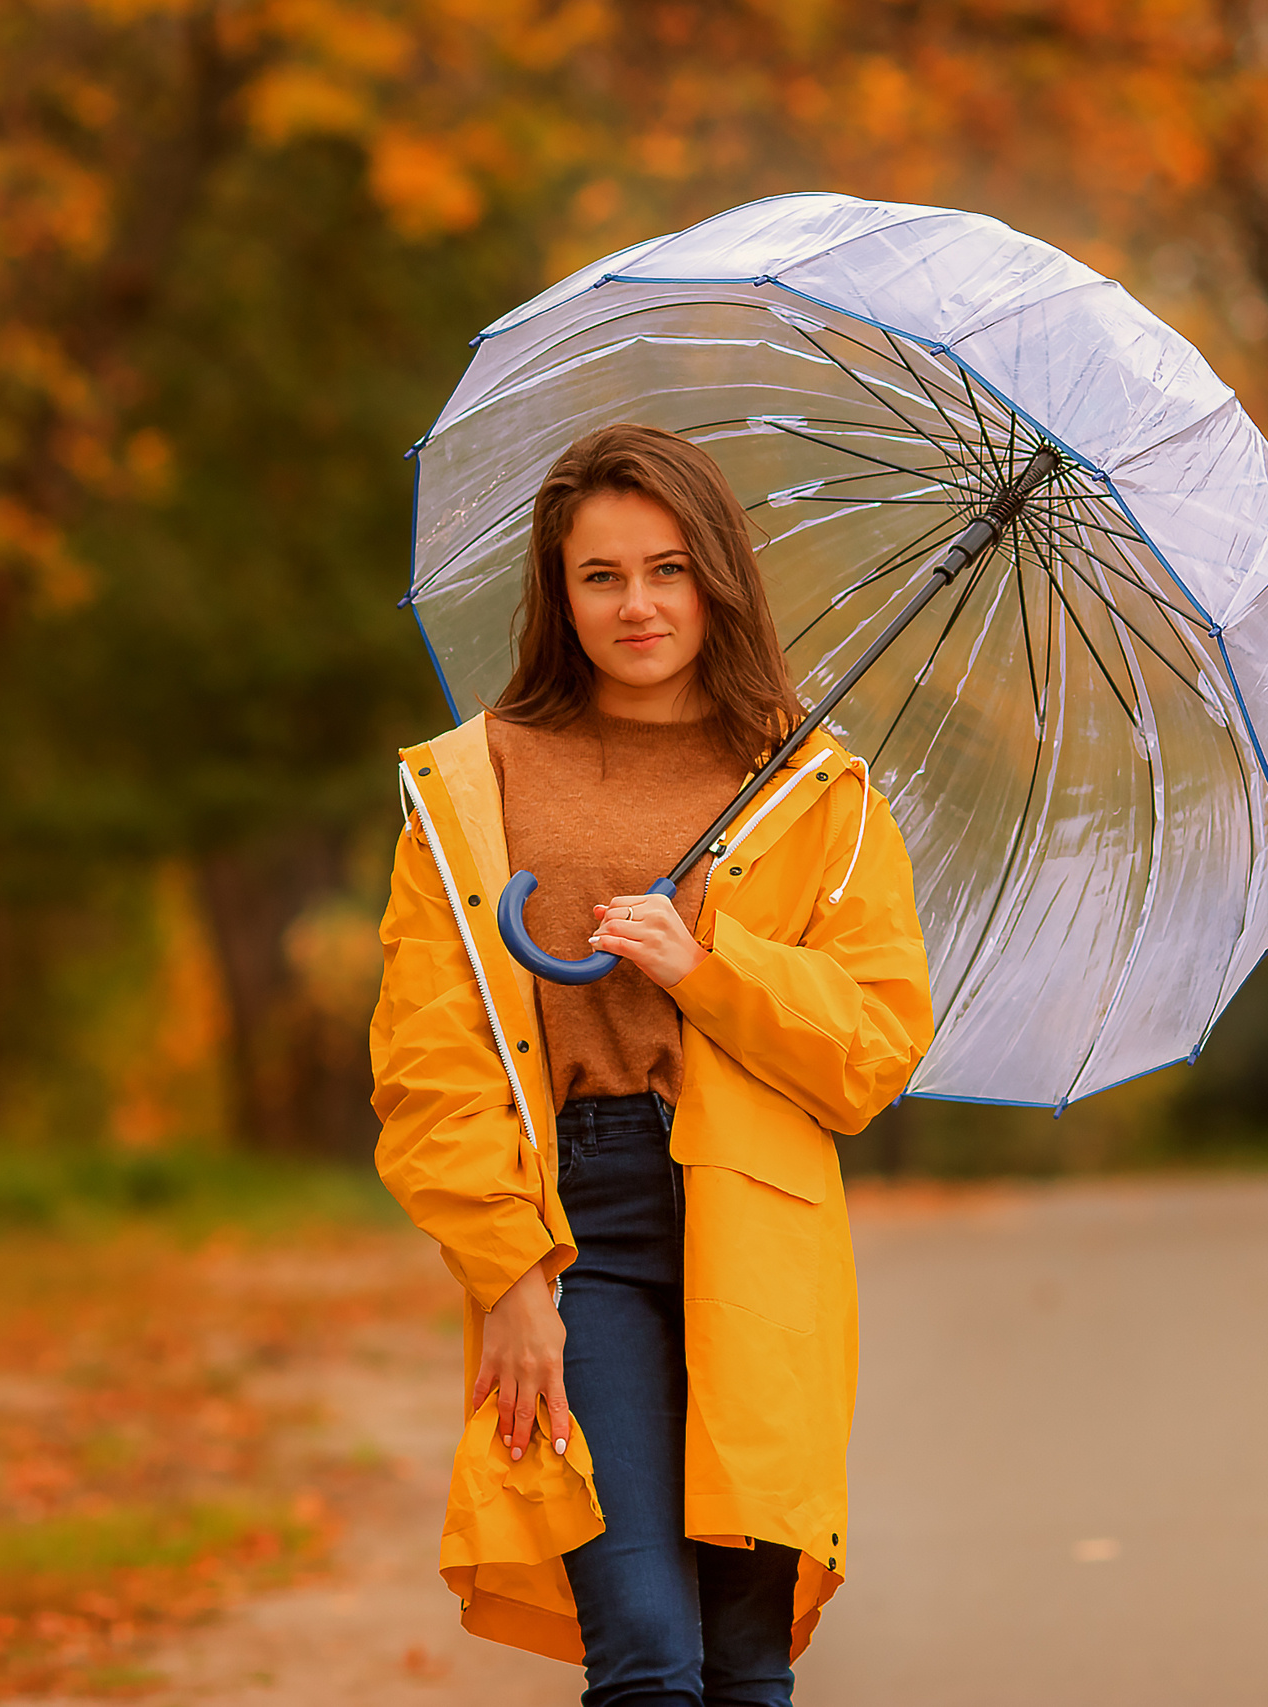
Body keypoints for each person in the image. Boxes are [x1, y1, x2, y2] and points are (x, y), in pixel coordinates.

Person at [370, 422, 933, 1706]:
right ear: (556, 593)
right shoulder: (478, 782)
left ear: (717, 578)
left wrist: (704, 967)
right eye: (601, 575)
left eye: (668, 569)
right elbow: (426, 1060)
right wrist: (510, 1273)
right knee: (644, 1657)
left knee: (743, 1662)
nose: (637, 605)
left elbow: (871, 1049)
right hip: (579, 1225)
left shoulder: (812, 789)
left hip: (758, 1228)